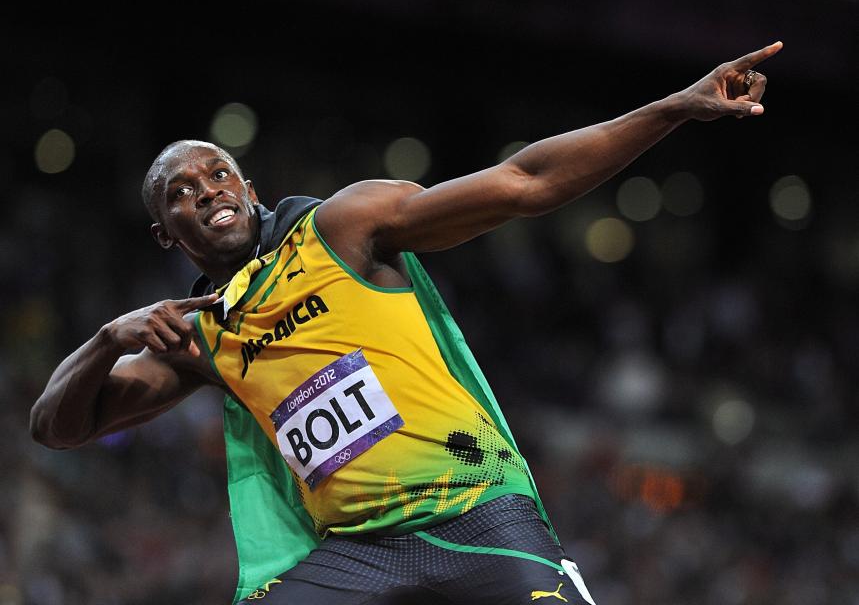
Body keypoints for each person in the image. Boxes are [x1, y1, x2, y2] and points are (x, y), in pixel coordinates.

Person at [30, 41, 782, 604]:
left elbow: (524, 182)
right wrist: (105, 340)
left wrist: (674, 108)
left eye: (218, 172)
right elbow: (57, 426)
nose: (206, 190)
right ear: (165, 233)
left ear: (249, 188)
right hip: (358, 552)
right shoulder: (200, 335)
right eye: (180, 191)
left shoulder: (343, 227)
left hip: (477, 512)